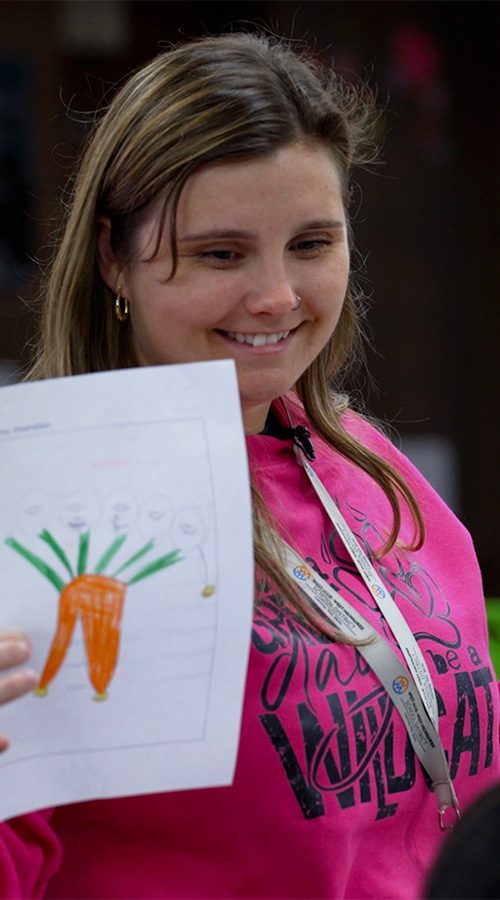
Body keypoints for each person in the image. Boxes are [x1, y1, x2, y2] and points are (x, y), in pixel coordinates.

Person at [0, 31, 498, 900]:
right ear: (116, 258)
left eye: (312, 244)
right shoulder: (46, 519)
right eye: (221, 254)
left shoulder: (378, 473)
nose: (276, 296)